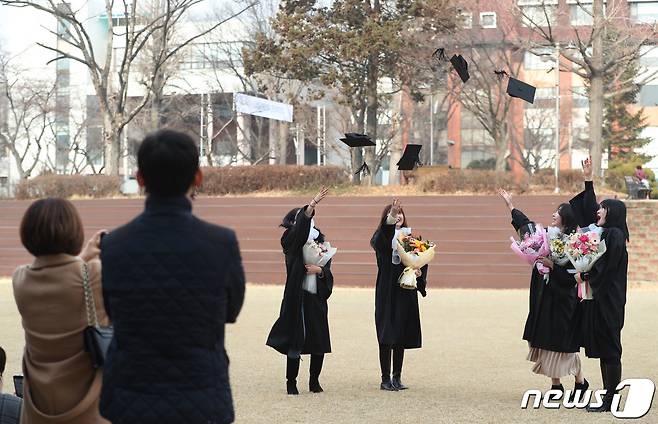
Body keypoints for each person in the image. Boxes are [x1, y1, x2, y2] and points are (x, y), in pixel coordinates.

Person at [99, 130, 246, 424]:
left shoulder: (114, 244)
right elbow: (230, 312)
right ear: (198, 177)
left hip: (131, 397)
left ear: (140, 178)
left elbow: (113, 312)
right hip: (202, 395)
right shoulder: (221, 242)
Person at [12, 198, 108, 424]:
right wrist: (87, 258)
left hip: (39, 411)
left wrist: (84, 257)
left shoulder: (20, 279)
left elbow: (59, 278)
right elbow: (75, 279)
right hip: (90, 409)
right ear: (75, 232)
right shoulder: (96, 275)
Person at [498, 189, 588, 399]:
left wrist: (553, 266)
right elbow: (526, 226)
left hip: (563, 299)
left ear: (566, 218)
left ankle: (580, 381)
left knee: (563, 345)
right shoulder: (546, 234)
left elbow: (573, 276)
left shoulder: (575, 244)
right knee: (545, 341)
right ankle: (556, 386)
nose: (554, 214)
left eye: (558, 212)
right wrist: (510, 205)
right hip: (543, 297)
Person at [571, 157, 629, 413]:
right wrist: (588, 179)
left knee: (611, 349)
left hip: (609, 301)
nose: (598, 211)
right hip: (603, 299)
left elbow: (606, 270)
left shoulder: (615, 236)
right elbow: (588, 210)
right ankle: (608, 397)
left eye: (603, 208)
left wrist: (585, 278)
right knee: (606, 348)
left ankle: (610, 400)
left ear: (613, 212)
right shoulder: (605, 234)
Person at [266, 187, 334, 395]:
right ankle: (291, 382)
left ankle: (314, 381)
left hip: (315, 297)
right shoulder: (290, 241)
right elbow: (300, 230)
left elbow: (328, 270)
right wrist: (311, 205)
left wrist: (320, 270)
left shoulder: (320, 242)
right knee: (296, 339)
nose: (309, 222)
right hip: (297, 297)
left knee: (318, 340)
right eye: (304, 219)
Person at [370, 199, 428, 391]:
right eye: (395, 213)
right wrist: (391, 216)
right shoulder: (381, 237)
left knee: (401, 334)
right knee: (387, 334)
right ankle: (385, 379)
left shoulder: (410, 240)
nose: (398, 216)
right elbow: (381, 240)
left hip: (405, 291)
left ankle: (397, 377)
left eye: (400, 213)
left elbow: (420, 261)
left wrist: (419, 273)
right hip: (387, 292)